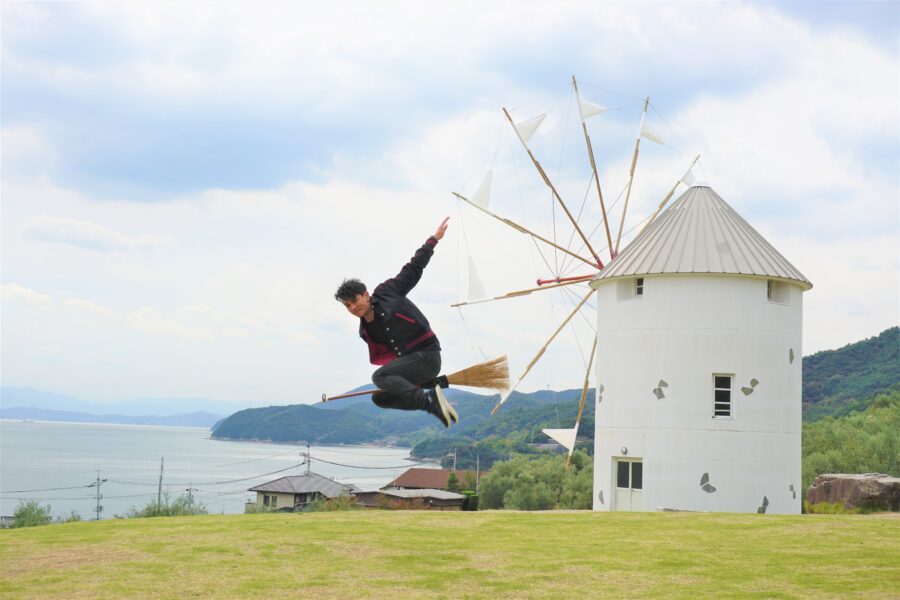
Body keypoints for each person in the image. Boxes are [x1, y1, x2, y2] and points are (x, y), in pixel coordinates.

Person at [334, 217, 458, 427]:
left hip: (428, 357)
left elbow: (413, 268)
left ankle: (429, 401)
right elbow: (394, 360)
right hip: (412, 368)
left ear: (365, 295)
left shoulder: (387, 292)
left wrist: (433, 240)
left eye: (354, 301)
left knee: (379, 376)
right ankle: (430, 403)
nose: (353, 308)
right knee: (380, 398)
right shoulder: (365, 331)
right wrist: (406, 382)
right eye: (347, 306)